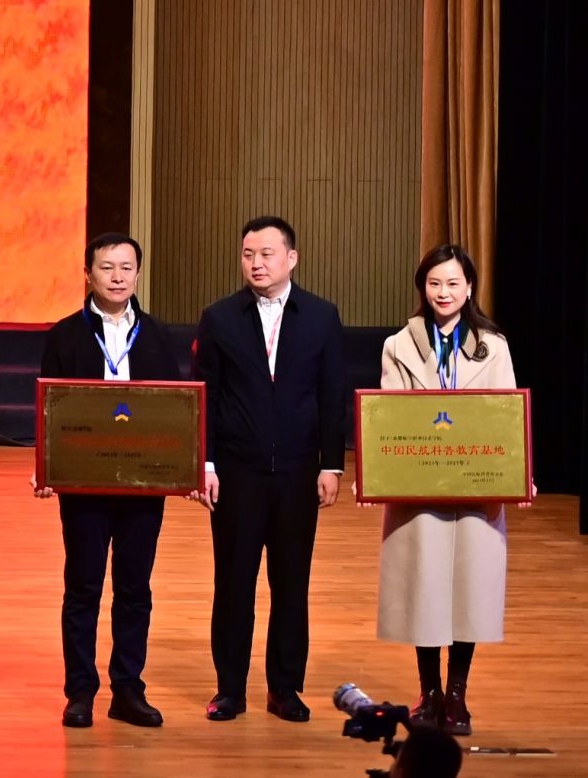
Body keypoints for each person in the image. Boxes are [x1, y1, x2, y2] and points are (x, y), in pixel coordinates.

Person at [195, 213, 347, 722]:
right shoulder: (219, 318)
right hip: (236, 473)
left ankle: (284, 687)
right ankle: (229, 689)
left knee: (291, 584)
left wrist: (332, 465)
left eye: (266, 254)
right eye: (248, 255)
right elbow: (207, 396)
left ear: (291, 258)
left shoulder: (322, 316)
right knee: (233, 584)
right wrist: (206, 463)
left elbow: (331, 396)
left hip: (300, 474)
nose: (256, 263)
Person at [36, 230, 181, 730]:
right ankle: (79, 692)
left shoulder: (158, 335)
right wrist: (48, 469)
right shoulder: (64, 335)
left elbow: (173, 408)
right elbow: (50, 408)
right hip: (84, 484)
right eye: (106, 267)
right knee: (82, 587)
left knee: (135, 588)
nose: (117, 277)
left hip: (143, 485)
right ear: (88, 274)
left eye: (126, 268)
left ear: (137, 274)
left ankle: (128, 689)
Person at [377, 243, 514, 736]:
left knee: (467, 594)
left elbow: (506, 419)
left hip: (475, 489)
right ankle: (429, 692)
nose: (443, 292)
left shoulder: (493, 345)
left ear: (469, 287)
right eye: (434, 283)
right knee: (425, 590)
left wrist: (516, 472)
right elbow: (388, 418)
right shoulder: (399, 345)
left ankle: (457, 696)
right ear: (423, 287)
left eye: (453, 283)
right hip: (419, 491)